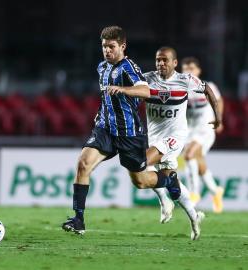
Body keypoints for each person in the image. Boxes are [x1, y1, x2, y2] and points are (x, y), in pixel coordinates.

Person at [61, 26, 191, 238]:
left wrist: (123, 89)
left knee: (139, 181)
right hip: (105, 129)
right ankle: (78, 220)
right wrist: (101, 113)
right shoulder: (102, 67)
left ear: (122, 46)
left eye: (112, 46)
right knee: (83, 163)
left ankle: (168, 180)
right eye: (104, 47)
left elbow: (145, 90)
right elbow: (106, 97)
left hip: (129, 134)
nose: (107, 51)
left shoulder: (128, 67)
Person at [143, 48, 222, 239]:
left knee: (143, 162)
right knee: (171, 181)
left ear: (174, 63)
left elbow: (208, 90)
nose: (161, 63)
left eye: (165, 60)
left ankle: (164, 201)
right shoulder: (146, 78)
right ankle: (195, 217)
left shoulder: (186, 80)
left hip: (176, 136)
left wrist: (218, 118)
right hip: (154, 136)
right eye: (157, 60)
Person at [181, 57, 224, 213]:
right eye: (185, 68)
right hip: (189, 130)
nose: (188, 71)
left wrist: (219, 118)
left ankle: (194, 193)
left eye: (192, 68)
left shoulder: (208, 86)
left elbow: (219, 100)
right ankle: (215, 191)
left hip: (206, 128)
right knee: (198, 164)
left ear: (198, 71)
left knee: (189, 155)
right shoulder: (180, 88)